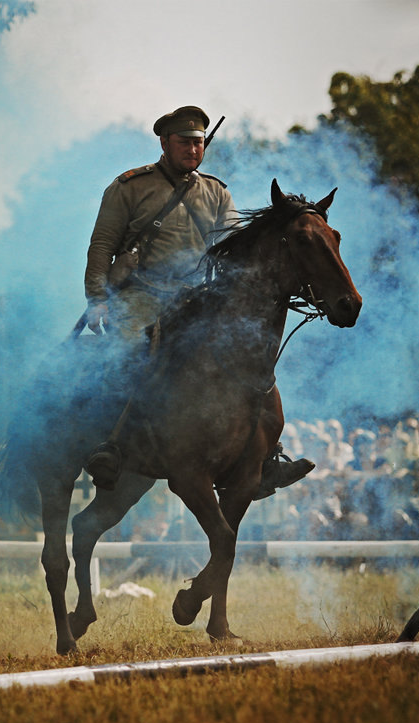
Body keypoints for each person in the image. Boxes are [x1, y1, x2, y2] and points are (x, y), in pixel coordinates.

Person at [83, 105, 314, 496]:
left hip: (195, 298)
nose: (193, 149)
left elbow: (231, 251)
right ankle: (112, 445)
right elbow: (102, 244)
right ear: (164, 143)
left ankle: (265, 457)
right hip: (140, 294)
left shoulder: (216, 192)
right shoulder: (130, 187)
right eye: (185, 142)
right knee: (131, 354)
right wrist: (96, 298)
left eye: (198, 142)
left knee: (248, 355)